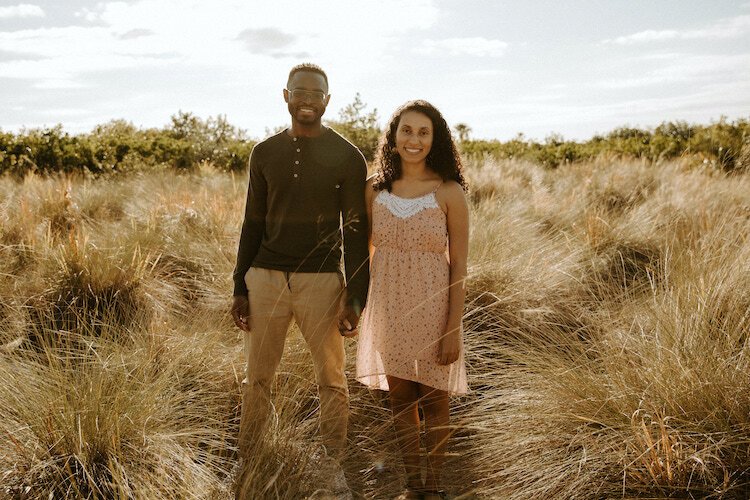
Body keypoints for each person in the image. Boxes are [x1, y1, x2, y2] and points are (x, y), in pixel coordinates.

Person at [230, 63, 369, 494]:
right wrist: (240, 284)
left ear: (327, 100)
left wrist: (356, 295)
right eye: (299, 91)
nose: (307, 98)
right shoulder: (264, 153)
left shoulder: (347, 156)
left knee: (331, 377)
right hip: (265, 278)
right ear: (285, 96)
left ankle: (332, 465)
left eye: (316, 92)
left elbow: (356, 229)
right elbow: (252, 222)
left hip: (321, 281)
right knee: (258, 377)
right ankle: (252, 461)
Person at [356, 100, 469, 500]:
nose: (414, 140)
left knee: (435, 399)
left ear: (435, 139)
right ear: (394, 136)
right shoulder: (374, 189)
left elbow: (459, 266)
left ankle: (434, 488)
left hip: (435, 306)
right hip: (388, 305)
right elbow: (362, 252)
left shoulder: (449, 191)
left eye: (423, 132)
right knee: (401, 398)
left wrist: (453, 327)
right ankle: (411, 485)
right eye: (407, 130)